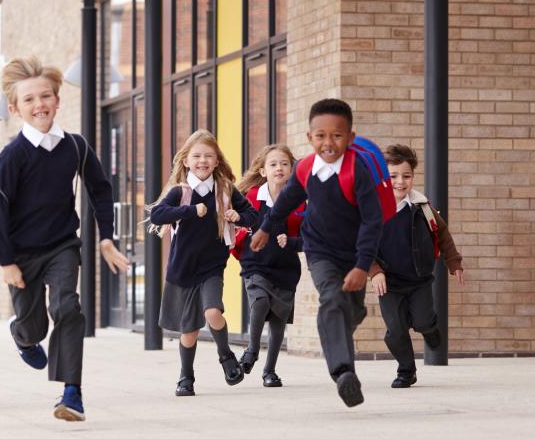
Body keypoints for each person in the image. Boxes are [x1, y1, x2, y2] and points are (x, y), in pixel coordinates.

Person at [0, 56, 129, 422]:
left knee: (68, 308)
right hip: (20, 253)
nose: (40, 104)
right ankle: (22, 334)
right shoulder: (11, 157)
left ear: (57, 100)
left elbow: (99, 189)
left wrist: (106, 238)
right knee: (34, 324)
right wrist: (6, 263)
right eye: (30, 100)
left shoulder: (75, 146)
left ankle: (71, 393)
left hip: (63, 245)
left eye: (46, 96)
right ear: (16, 108)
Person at [251, 99, 383, 407]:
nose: (328, 142)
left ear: (350, 137)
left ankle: (346, 322)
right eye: (320, 135)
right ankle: (343, 373)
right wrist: (266, 227)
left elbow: (372, 221)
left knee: (351, 309)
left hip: (354, 253)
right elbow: (286, 200)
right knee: (332, 299)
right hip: (319, 249)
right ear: (310, 138)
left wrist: (363, 265)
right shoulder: (306, 168)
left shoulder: (358, 171)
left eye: (336, 135)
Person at [149, 129, 259, 397]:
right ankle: (186, 377)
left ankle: (226, 357)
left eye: (209, 156)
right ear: (186, 160)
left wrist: (238, 216)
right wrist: (189, 211)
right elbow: (157, 214)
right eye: (197, 156)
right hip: (182, 269)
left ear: (217, 161)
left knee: (212, 312)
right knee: (190, 331)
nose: (202, 161)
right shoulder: (181, 192)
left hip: (212, 266)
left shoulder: (225, 190)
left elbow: (253, 215)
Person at [369, 144, 464, 388]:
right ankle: (406, 371)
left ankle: (430, 328)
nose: (400, 182)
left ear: (413, 177)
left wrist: (453, 262)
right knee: (395, 332)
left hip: (419, 280)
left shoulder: (422, 207)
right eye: (393, 176)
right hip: (388, 283)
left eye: (406, 176)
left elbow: (442, 233)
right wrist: (375, 271)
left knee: (422, 320)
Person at [235, 144, 304, 387]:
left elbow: (310, 232)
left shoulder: (299, 200)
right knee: (261, 301)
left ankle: (269, 371)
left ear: (292, 169)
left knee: (278, 322)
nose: (279, 168)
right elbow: (238, 224)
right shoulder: (252, 196)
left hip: (286, 266)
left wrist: (295, 242)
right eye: (273, 164)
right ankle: (251, 351)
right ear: (263, 171)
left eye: (284, 164)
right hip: (256, 263)